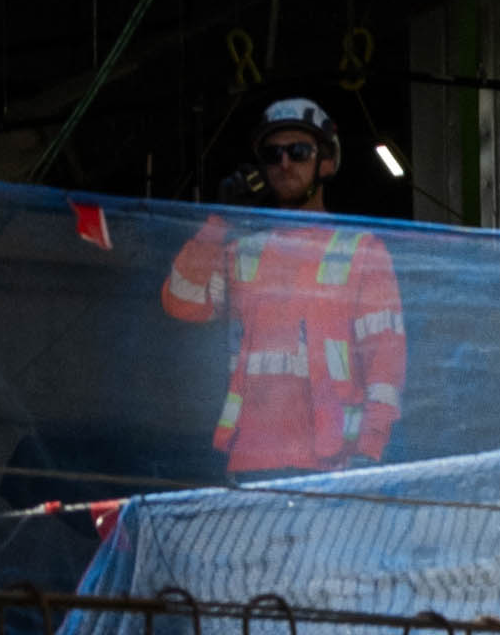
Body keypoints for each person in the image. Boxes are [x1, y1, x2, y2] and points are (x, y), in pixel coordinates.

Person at [154, 96, 404, 480]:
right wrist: (220, 220)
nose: (284, 163)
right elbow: (180, 301)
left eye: (299, 151)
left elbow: (385, 364)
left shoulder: (362, 251)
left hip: (333, 465)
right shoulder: (243, 250)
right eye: (273, 155)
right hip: (251, 464)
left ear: (326, 162)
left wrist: (369, 452)